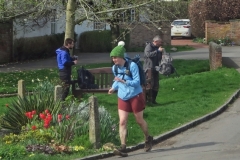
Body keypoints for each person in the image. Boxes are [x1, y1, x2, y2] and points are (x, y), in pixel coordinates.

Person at [108, 45, 153, 157]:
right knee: (122, 121)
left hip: (135, 95)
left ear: (121, 56)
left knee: (139, 120)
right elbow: (117, 80)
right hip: (122, 96)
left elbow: (137, 82)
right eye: (112, 58)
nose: (114, 60)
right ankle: (123, 147)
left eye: (115, 57)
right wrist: (114, 87)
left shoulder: (132, 65)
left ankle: (148, 138)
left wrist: (124, 82)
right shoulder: (115, 68)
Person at [143, 35, 163, 104]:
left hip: (156, 68)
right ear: (155, 41)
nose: (161, 43)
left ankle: (153, 100)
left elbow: (159, 57)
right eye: (160, 42)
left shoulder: (158, 47)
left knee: (156, 85)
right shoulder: (149, 46)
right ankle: (147, 100)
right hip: (149, 69)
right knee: (149, 84)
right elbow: (148, 54)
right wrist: (157, 51)